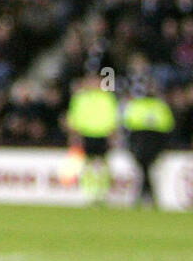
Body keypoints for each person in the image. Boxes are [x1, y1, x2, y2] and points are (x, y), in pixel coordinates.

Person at [65, 74, 119, 205]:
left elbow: (113, 117)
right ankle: (89, 192)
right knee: (87, 165)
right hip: (86, 134)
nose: (94, 84)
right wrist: (74, 135)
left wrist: (113, 135)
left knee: (103, 165)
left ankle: (103, 192)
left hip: (103, 134)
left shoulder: (108, 98)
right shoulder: (80, 98)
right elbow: (74, 117)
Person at [122, 84, 174, 206]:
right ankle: (148, 194)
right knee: (147, 168)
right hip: (152, 138)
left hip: (143, 138)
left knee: (145, 167)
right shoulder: (161, 106)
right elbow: (169, 125)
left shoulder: (137, 104)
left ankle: (145, 194)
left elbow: (128, 123)